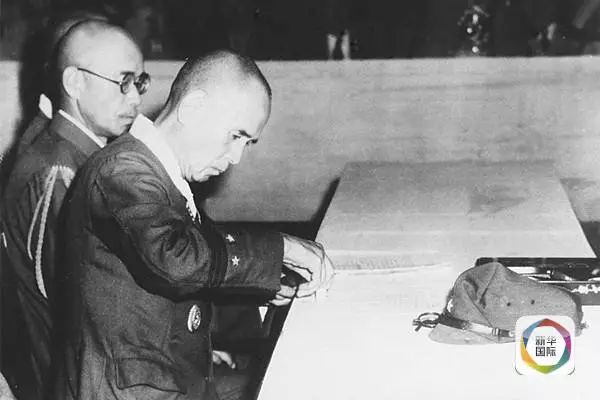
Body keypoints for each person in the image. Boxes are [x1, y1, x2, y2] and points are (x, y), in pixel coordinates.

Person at [52, 49, 334, 399]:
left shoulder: (164, 175)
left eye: (247, 143)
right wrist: (282, 247)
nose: (236, 157)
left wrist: (266, 291)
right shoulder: (123, 170)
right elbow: (176, 259)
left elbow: (195, 274)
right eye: (235, 136)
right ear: (193, 108)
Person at [0, 20, 147, 400]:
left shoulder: (79, 155)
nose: (135, 98)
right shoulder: (59, 173)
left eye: (140, 82)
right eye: (124, 81)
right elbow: (87, 312)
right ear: (75, 82)